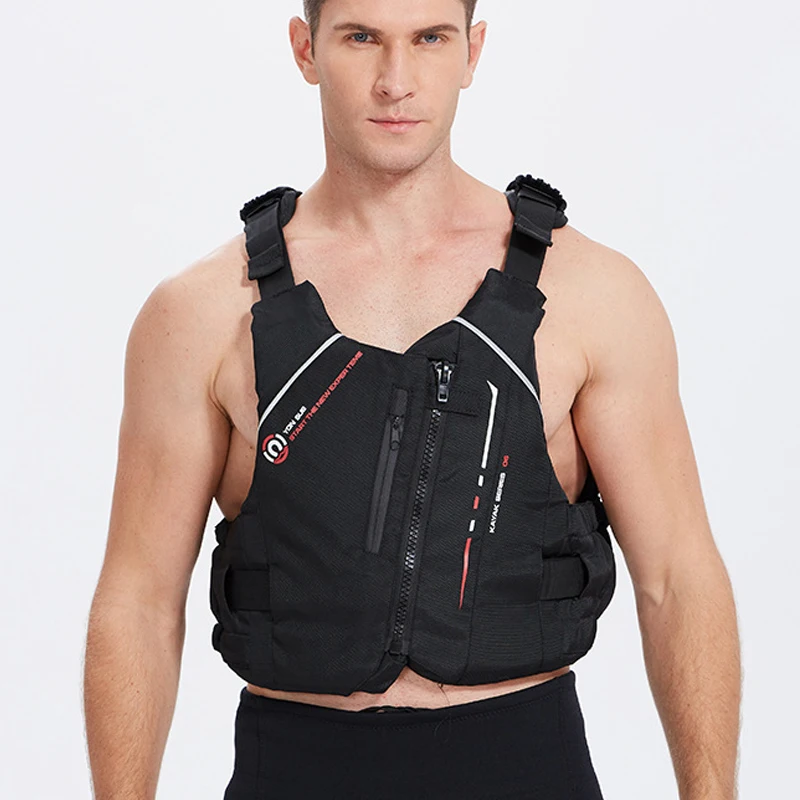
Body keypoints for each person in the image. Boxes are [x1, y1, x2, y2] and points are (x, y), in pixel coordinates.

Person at [83, 1, 741, 798]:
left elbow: (677, 576)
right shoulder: (198, 315)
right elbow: (140, 602)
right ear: (305, 49)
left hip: (526, 771)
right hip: (295, 772)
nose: (396, 81)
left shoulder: (594, 295)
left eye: (429, 38)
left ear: (472, 52)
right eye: (362, 37)